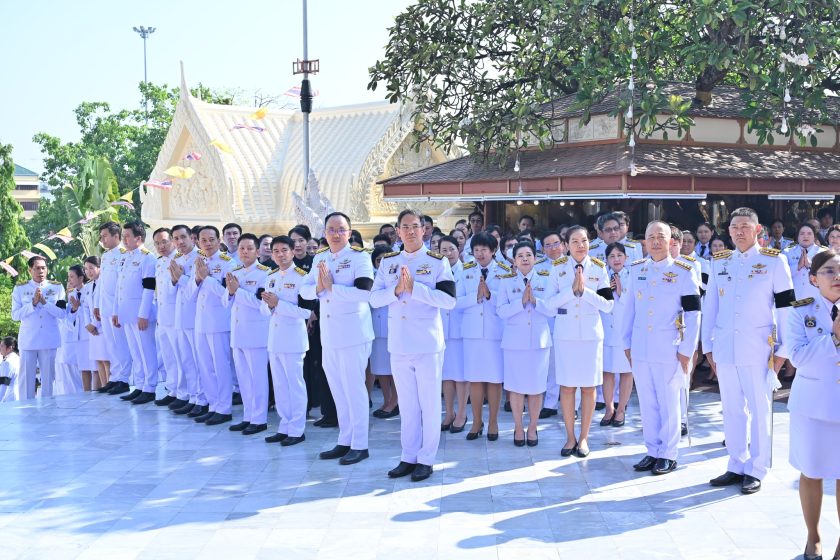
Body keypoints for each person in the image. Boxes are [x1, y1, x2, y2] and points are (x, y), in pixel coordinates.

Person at [703, 207, 795, 494]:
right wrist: (708, 347)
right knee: (732, 409)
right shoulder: (720, 262)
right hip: (725, 347)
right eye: (734, 227)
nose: (739, 231)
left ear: (757, 230)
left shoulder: (774, 261)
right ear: (729, 232)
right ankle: (736, 463)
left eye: (745, 226)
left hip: (759, 350)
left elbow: (786, 308)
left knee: (759, 409)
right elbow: (710, 307)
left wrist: (783, 352)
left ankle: (757, 468)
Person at [371, 209, 456, 481]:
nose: (410, 231)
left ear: (424, 230)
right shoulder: (388, 262)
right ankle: (408, 456)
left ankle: (426, 458)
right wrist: (395, 290)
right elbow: (374, 299)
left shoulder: (437, 262)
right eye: (405, 227)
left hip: (427, 344)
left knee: (429, 404)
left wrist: (415, 289)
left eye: (415, 226)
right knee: (407, 405)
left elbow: (449, 300)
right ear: (398, 231)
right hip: (399, 343)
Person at [623, 221, 701, 475]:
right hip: (641, 347)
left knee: (668, 402)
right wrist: (626, 343)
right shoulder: (636, 269)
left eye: (661, 237)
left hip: (670, 348)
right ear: (644, 242)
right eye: (651, 237)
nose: (656, 242)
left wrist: (687, 350)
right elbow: (629, 310)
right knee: (647, 402)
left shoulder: (683, 271)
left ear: (671, 241)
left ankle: (668, 453)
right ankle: (652, 450)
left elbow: (693, 314)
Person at [301, 212, 375, 465]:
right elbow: (304, 289)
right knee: (338, 389)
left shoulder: (359, 257)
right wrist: (319, 288)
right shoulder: (320, 257)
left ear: (349, 232)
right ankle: (345, 439)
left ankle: (360, 444)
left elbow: (365, 292)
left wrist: (332, 288)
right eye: (331, 229)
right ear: (324, 233)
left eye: (341, 229)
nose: (336, 234)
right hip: (330, 335)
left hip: (354, 333)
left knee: (354, 389)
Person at [785, 249, 840, 560]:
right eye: (829, 271)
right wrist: (833, 338)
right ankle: (813, 537)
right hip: (813, 406)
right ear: (814, 278)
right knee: (812, 471)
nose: (837, 276)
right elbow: (797, 357)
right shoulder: (800, 310)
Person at [548, 226, 614, 457]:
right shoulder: (557, 268)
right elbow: (548, 305)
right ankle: (570, 437)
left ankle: (584, 438)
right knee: (567, 387)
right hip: (565, 336)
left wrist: (584, 291)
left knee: (588, 387)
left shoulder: (599, 267)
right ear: (566, 245)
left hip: (590, 336)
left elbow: (608, 304)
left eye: (584, 240)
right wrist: (571, 291)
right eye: (575, 241)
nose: (580, 245)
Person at [497, 241, 554, 447]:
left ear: (535, 258)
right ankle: (518, 427)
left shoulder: (546, 279)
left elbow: (553, 309)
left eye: (528, 254)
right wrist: (520, 303)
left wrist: (536, 301)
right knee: (516, 387)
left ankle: (533, 427)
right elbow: (501, 311)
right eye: (520, 255)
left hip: (539, 342)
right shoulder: (506, 281)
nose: (524, 258)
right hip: (514, 343)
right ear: (514, 260)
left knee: (537, 388)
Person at [261, 236, 313, 446]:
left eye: (284, 250)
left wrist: (278, 304)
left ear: (292, 252)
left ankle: (297, 429)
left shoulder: (302, 277)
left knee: (295, 385)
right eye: (276, 251)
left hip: (293, 340)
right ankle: (284, 426)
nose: (280, 255)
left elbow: (307, 312)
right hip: (274, 339)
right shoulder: (270, 277)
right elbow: (263, 309)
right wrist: (270, 306)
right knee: (280, 386)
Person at [185, 225, 238, 425]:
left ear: (218, 240)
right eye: (203, 240)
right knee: (206, 367)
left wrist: (206, 278)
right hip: (201, 323)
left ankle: (224, 408)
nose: (207, 243)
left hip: (219, 323)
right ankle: (213, 405)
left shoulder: (228, 263)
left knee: (221, 367)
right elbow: (189, 294)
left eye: (211, 239)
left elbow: (227, 294)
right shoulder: (198, 263)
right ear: (198, 242)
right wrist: (198, 278)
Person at [459, 232, 506, 441]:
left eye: (484, 250)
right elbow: (456, 301)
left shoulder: (504, 272)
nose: (479, 254)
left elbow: (507, 300)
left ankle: (493, 422)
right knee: (475, 379)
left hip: (495, 333)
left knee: (494, 380)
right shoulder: (466, 271)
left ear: (493, 251)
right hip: (472, 333)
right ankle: (476, 421)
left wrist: (489, 295)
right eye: (476, 250)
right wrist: (476, 297)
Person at [225, 234, 271, 435]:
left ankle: (259, 419)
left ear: (258, 251)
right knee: (243, 378)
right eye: (242, 248)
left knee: (257, 378)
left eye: (249, 248)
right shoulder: (234, 272)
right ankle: (248, 416)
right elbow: (225, 301)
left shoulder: (265, 274)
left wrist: (237, 291)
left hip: (256, 334)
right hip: (238, 334)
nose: (245, 252)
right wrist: (230, 292)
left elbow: (261, 303)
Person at [114, 222, 158, 405]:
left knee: (146, 351)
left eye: (127, 236)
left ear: (138, 238)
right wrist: (116, 311)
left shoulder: (147, 258)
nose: (124, 239)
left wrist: (144, 314)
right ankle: (139, 385)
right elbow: (119, 287)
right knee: (136, 351)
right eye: (123, 236)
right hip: (127, 313)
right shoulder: (125, 257)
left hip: (141, 314)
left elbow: (149, 288)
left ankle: (150, 387)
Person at [11, 256, 66, 399]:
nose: (41, 271)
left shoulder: (57, 287)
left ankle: (48, 407)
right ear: (30, 270)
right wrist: (33, 304)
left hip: (49, 339)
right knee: (26, 380)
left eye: (43, 268)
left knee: (48, 380)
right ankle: (27, 407)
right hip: (29, 340)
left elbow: (62, 314)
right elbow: (15, 315)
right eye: (37, 268)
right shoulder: (20, 288)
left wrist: (45, 303)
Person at [169, 224, 206, 416]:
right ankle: (193, 397)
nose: (180, 242)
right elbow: (171, 289)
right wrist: (175, 279)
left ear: (192, 238)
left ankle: (203, 399)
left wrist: (180, 278)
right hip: (180, 317)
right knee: (187, 360)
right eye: (176, 238)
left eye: (183, 237)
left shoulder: (201, 258)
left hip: (195, 317)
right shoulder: (176, 259)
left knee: (199, 361)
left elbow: (195, 289)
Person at [94, 222, 131, 395]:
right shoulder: (106, 256)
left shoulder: (124, 254)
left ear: (116, 236)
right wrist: (97, 304)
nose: (102, 240)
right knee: (111, 345)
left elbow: (121, 285)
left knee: (120, 344)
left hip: (117, 308)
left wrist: (117, 308)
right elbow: (101, 283)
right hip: (105, 306)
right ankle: (115, 377)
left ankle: (124, 379)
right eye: (101, 237)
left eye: (105, 236)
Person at [600, 242, 633, 427]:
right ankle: (609, 409)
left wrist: (620, 292)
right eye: (612, 256)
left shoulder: (633, 275)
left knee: (626, 371)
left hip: (626, 331)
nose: (616, 259)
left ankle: (621, 410)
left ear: (625, 258)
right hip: (606, 331)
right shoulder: (601, 276)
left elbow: (637, 302)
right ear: (607, 260)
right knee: (607, 372)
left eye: (619, 255)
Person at [439, 236, 469, 433]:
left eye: (451, 249)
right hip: (441, 329)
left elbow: (472, 298)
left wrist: (453, 302)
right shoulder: (436, 271)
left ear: (458, 250)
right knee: (446, 375)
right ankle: (449, 412)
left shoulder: (467, 272)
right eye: (444, 250)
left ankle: (462, 414)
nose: (448, 253)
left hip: (460, 330)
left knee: (461, 375)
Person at [536, 230, 566, 419]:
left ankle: (573, 406)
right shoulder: (537, 267)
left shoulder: (572, 264)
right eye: (548, 245)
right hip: (546, 321)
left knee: (571, 364)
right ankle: (550, 403)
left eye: (556, 243)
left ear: (563, 244)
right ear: (542, 249)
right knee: (551, 365)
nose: (553, 248)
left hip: (569, 319)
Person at [369, 246, 399, 419]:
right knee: (380, 369)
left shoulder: (396, 275)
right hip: (375, 328)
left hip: (392, 327)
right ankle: (387, 400)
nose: (381, 262)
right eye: (378, 260)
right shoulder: (371, 276)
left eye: (384, 259)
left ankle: (395, 401)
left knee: (393, 369)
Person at [152, 227, 179, 406]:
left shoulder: (180, 260)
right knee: (168, 356)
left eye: (164, 242)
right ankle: (173, 389)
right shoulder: (159, 262)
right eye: (157, 243)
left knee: (180, 357)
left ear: (172, 241)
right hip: (163, 316)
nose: (161, 246)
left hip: (177, 316)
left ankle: (183, 392)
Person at [55, 264, 85, 396]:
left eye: (72, 277)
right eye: (68, 277)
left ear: (81, 278)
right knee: (66, 382)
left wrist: (74, 310)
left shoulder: (86, 293)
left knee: (78, 381)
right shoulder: (69, 300)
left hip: (79, 341)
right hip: (65, 345)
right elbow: (65, 320)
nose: (69, 281)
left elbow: (77, 320)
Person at [82, 256, 109, 389]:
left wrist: (95, 324)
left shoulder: (104, 283)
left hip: (102, 326)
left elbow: (102, 306)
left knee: (106, 359)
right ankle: (104, 386)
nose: (88, 271)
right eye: (86, 269)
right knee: (98, 359)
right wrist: (88, 324)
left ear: (99, 268)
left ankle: (110, 384)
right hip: (93, 329)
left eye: (91, 268)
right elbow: (85, 307)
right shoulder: (88, 286)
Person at [787, 223, 826, 301]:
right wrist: (797, 266)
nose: (805, 236)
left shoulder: (823, 253)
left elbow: (828, 276)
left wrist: (811, 266)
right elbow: (781, 276)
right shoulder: (787, 252)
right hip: (794, 298)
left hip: (817, 299)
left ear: (814, 237)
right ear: (797, 237)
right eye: (802, 234)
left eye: (809, 233)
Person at [0, 336, 20, 403]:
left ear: (10, 348)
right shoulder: (18, 359)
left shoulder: (7, 362)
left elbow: (3, 385)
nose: (0, 348)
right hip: (18, 397)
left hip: (8, 400)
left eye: (2, 346)